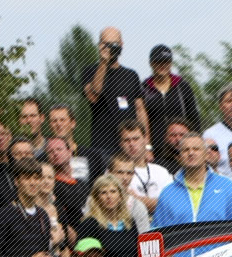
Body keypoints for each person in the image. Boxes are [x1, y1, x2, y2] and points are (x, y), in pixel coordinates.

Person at [152, 134, 232, 243]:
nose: (191, 153)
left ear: (206, 154)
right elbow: (156, 233)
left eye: (196, 149)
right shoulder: (168, 193)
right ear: (179, 156)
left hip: (220, 254)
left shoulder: (227, 187)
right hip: (179, 254)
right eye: (185, 150)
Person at [81, 27, 148, 170]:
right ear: (100, 45)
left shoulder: (131, 75)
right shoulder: (90, 71)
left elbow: (140, 110)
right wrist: (103, 62)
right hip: (102, 146)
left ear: (122, 45)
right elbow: (94, 94)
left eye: (115, 44)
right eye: (107, 44)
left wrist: (147, 145)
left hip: (130, 145)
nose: (111, 48)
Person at [140, 45, 199, 169]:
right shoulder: (143, 88)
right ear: (151, 63)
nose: (163, 65)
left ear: (171, 63)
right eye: (158, 62)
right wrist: (146, 148)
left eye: (166, 62)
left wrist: (195, 146)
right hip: (154, 153)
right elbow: (140, 121)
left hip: (181, 151)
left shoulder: (182, 86)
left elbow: (194, 119)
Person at [0, 157, 54, 257]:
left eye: (36, 178)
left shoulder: (43, 215)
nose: (33, 183)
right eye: (27, 178)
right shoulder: (3, 215)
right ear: (16, 181)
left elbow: (44, 254)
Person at [77, 175, 143, 257]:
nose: (109, 196)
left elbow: (138, 254)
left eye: (113, 191)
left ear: (120, 196)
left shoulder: (130, 222)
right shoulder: (90, 224)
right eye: (103, 192)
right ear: (96, 198)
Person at [118, 119, 172, 214]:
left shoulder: (161, 171)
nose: (131, 144)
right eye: (126, 140)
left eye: (136, 139)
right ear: (120, 144)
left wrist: (136, 198)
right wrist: (156, 203)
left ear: (145, 140)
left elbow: (171, 204)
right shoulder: (116, 171)